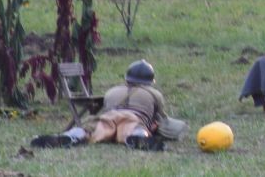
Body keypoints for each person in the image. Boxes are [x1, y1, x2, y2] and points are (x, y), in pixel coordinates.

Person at [31, 59, 185, 150]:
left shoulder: (112, 91)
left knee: (90, 129)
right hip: (134, 118)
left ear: (127, 78)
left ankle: (69, 137)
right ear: (150, 81)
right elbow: (160, 118)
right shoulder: (154, 94)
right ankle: (138, 138)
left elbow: (105, 107)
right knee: (135, 130)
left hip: (110, 116)